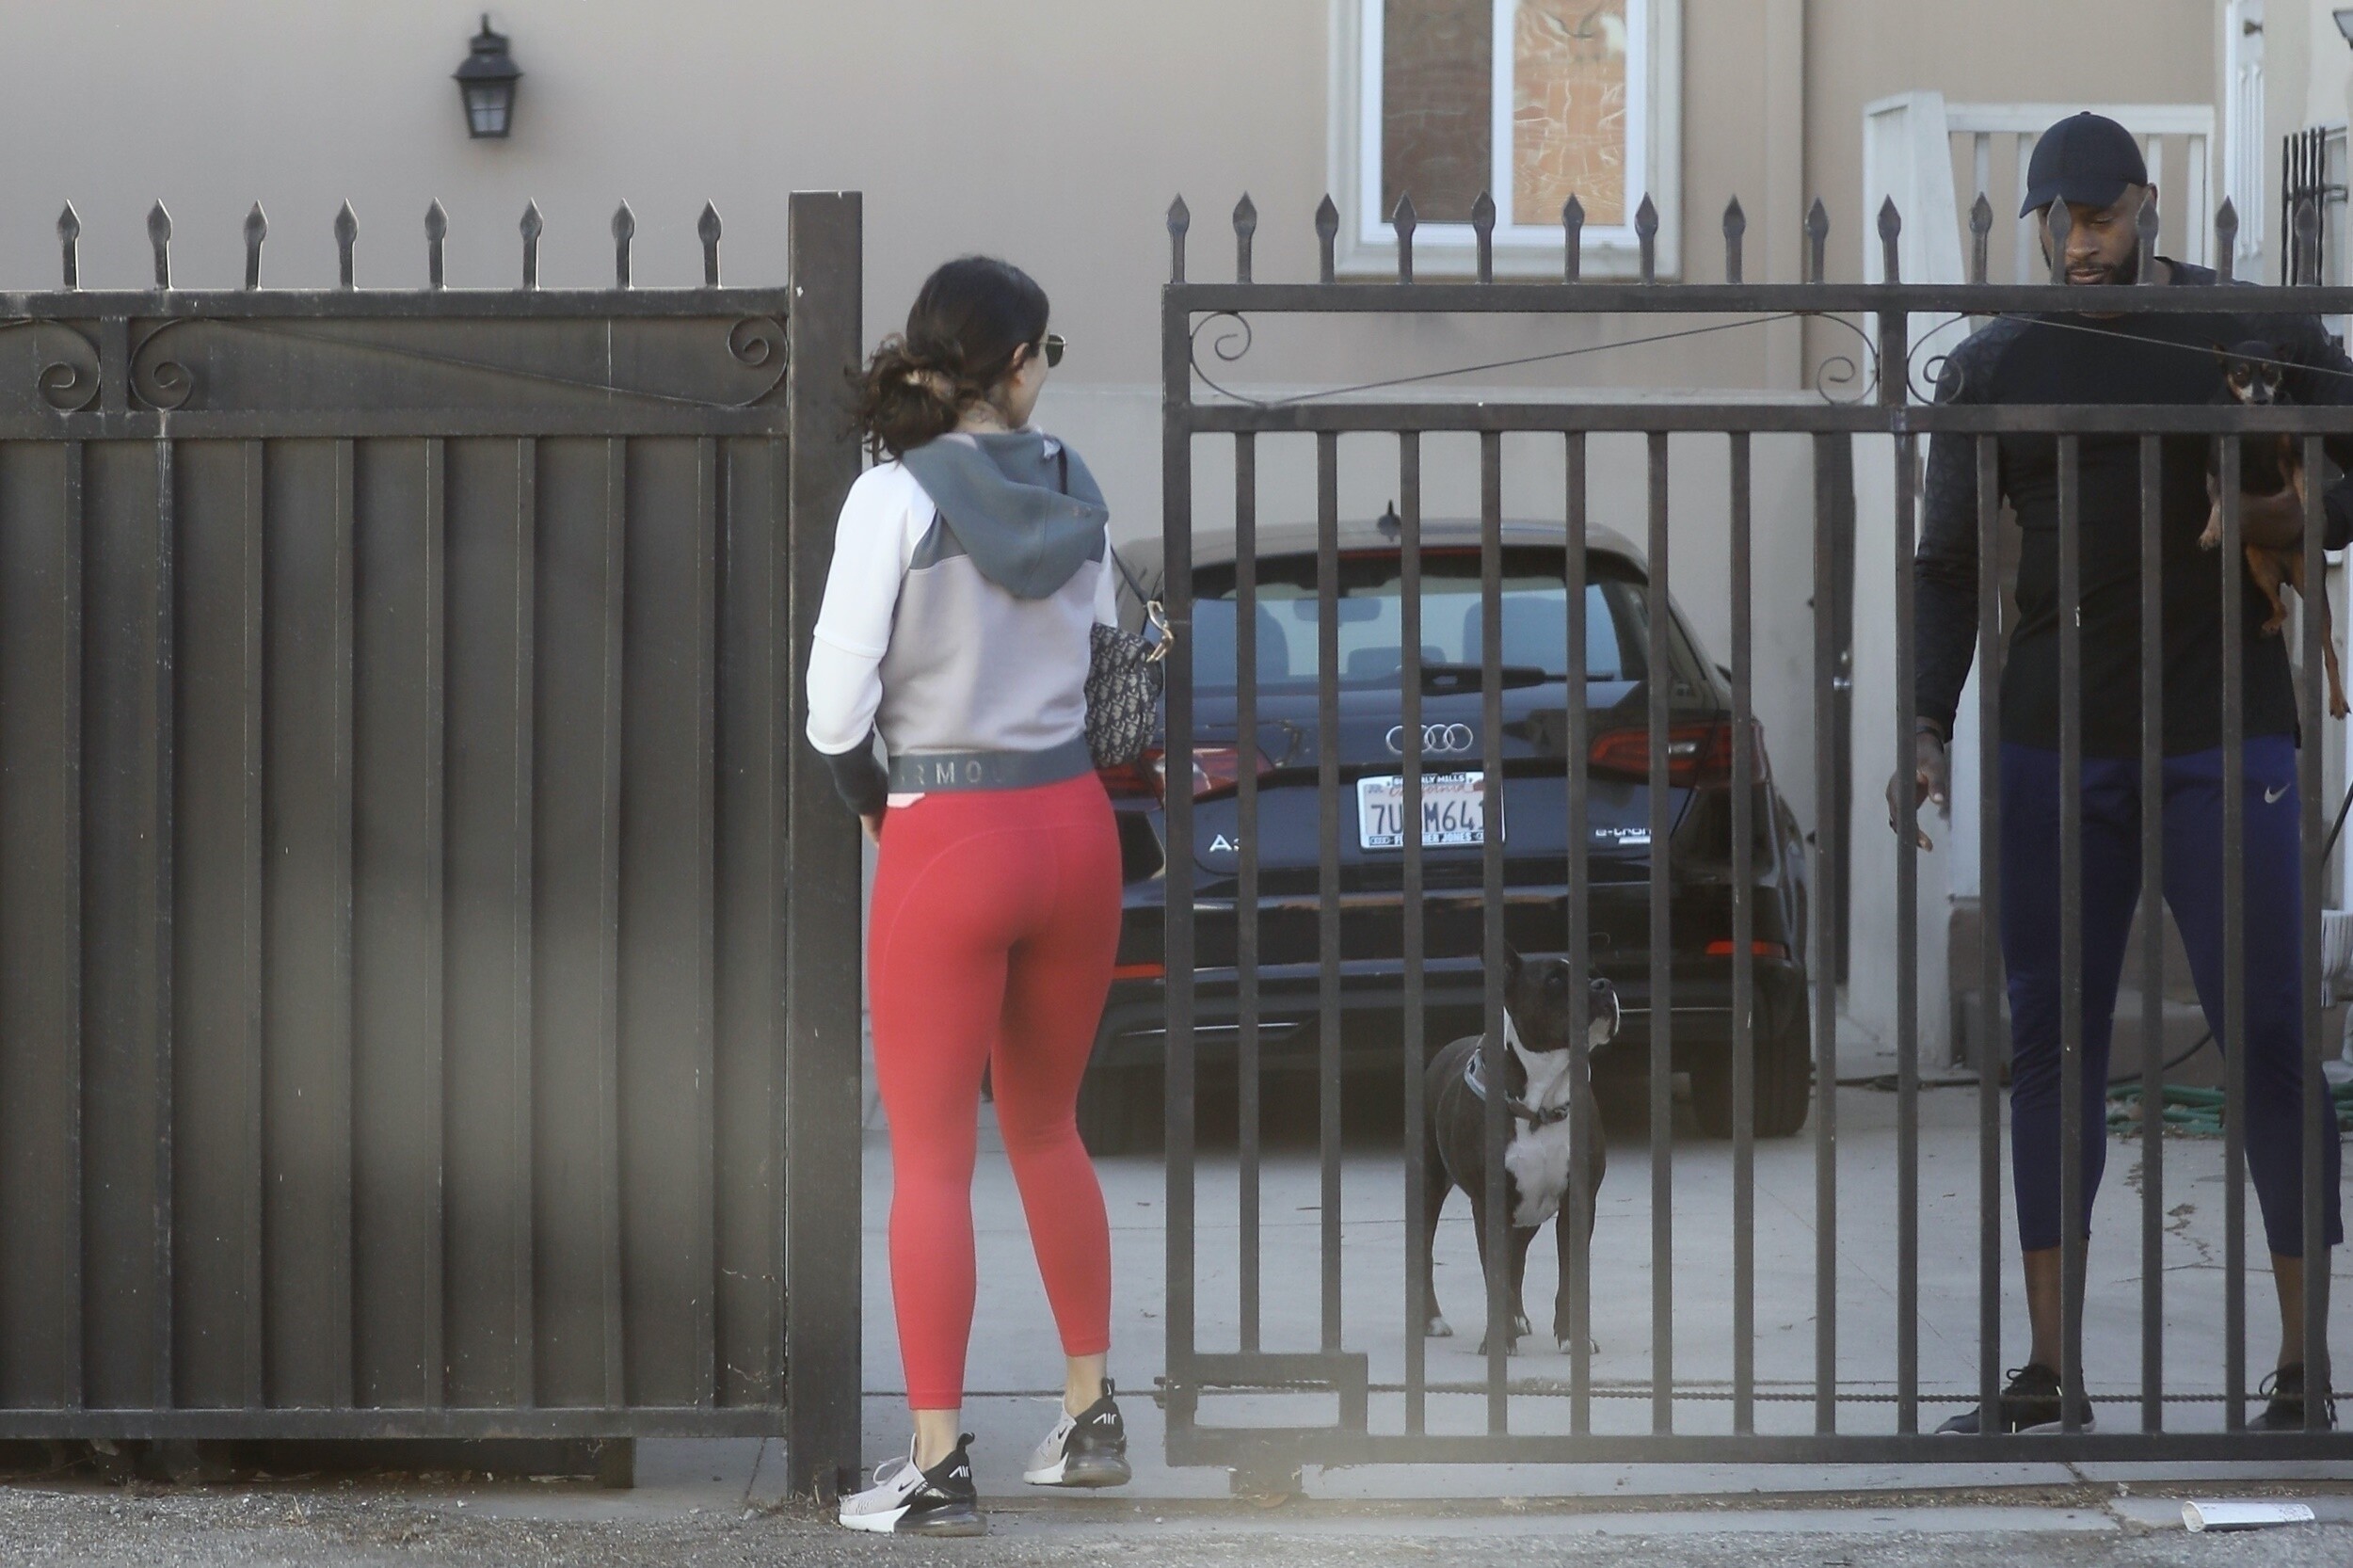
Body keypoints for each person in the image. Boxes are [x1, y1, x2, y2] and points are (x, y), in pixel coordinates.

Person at [1895, 112, 2347, 1434]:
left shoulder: (2247, 329)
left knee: (2273, 1034)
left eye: (2100, 217)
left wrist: (2282, 510)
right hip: (2054, 737)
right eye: (2061, 221)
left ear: (2146, 204)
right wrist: (1925, 723)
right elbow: (1947, 564)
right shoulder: (1995, 361)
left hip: (2228, 728)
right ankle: (2051, 1372)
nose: (2080, 242)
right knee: (2052, 1042)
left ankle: (2303, 1373)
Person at [810, 256, 1132, 1534]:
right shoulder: (1077, 492)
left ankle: (938, 1465)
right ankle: (1090, 1412)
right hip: (1077, 831)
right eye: (1045, 348)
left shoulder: (892, 498)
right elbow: (1103, 652)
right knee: (1049, 1128)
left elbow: (834, 710)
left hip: (948, 830)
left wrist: (875, 803)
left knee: (934, 1160)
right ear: (1015, 367)